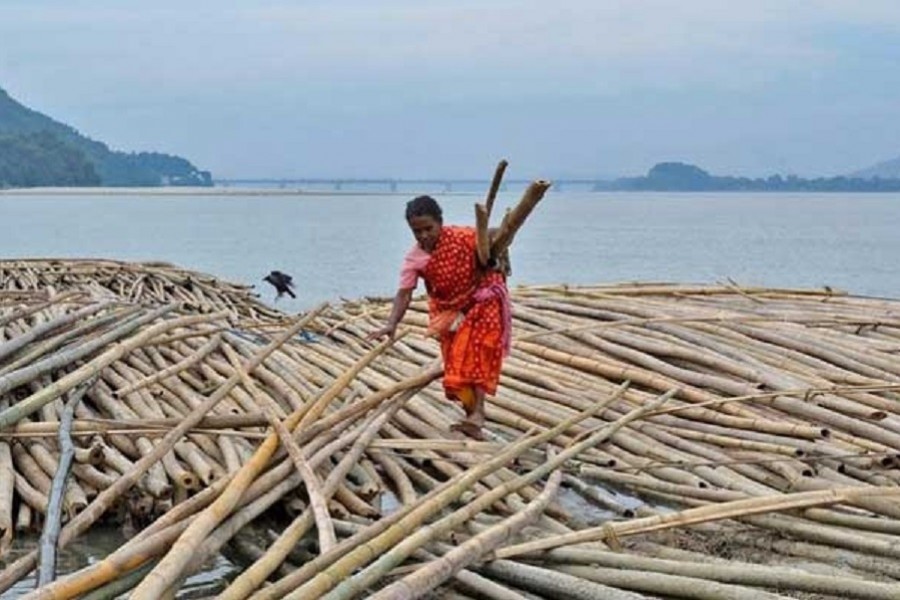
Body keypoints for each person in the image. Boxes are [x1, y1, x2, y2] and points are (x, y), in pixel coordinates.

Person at [370, 195, 511, 439]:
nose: (424, 235)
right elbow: (404, 294)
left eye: (428, 229)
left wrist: (498, 260)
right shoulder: (414, 259)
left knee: (476, 354)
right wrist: (391, 324)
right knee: (456, 366)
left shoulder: (463, 237)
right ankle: (472, 417)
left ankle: (477, 414)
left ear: (440, 223)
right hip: (448, 312)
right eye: (417, 231)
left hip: (482, 303)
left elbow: (499, 233)